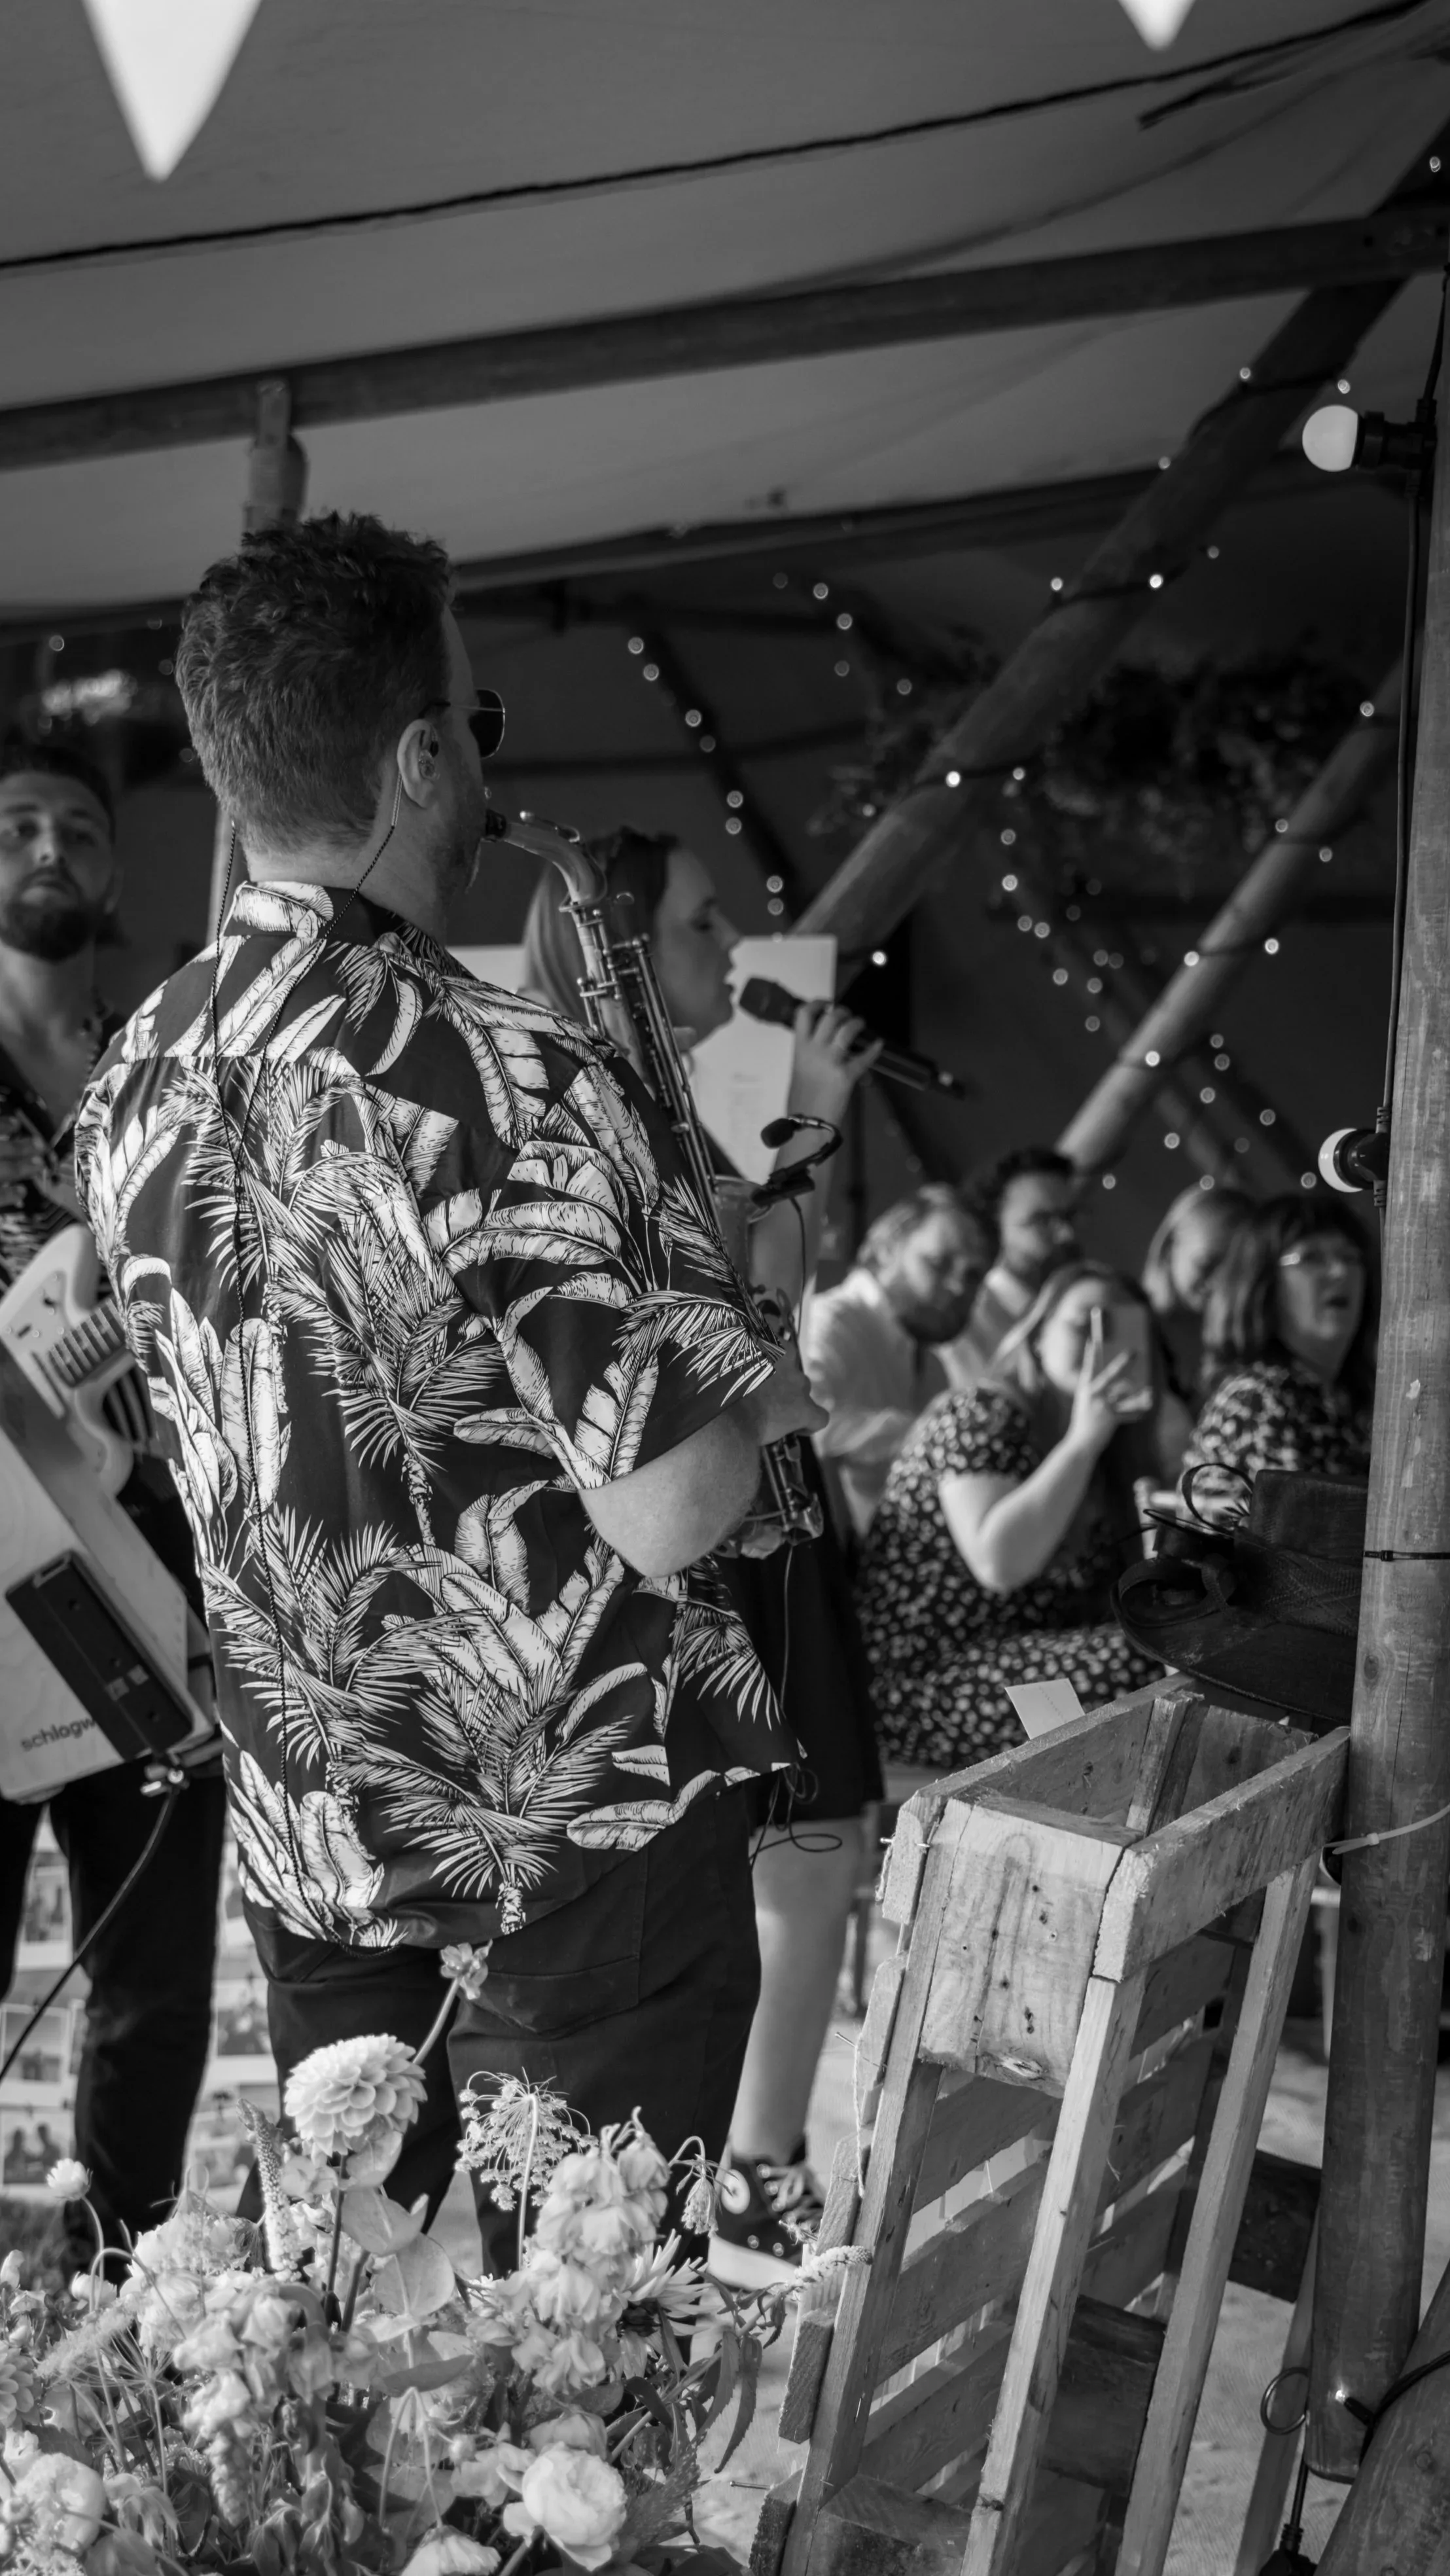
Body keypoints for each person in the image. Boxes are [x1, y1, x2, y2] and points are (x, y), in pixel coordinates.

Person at [77, 516, 824, 2270]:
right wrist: (740, 1326)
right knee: (571, 2378)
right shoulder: (502, 1070)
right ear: (416, 761)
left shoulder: (134, 1076)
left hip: (310, 1838)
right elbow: (673, 1508)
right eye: (475, 727)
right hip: (577, 1845)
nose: (490, 768)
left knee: (370, 2364)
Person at [523, 826, 883, 2284]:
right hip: (706, 1532)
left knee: (816, 1856)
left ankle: (755, 2162)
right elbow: (752, 1325)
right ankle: (737, 2172)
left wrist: (798, 1154)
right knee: (779, 1864)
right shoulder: (592, 1112)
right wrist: (810, 1132)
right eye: (698, 921)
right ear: (612, 941)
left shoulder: (656, 1107)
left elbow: (767, 1300)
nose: (731, 945)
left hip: (764, 1515)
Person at [0, 736, 227, 2273]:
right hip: (2, 1563)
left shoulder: (164, 1074)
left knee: (153, 1978)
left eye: (79, 828)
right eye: (17, 824)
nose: (50, 849)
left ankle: (115, 2299)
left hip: (155, 1564)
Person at [858, 1261, 1168, 1771]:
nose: (1102, 1348)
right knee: (1145, 1663)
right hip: (920, 1683)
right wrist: (1083, 1441)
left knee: (1183, 1647)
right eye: (1085, 1325)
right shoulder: (980, 1414)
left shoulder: (1110, 1453)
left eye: (1123, 1335)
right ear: (1038, 1336)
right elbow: (999, 1563)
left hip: (1022, 1668)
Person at [802, 1187, 993, 1542]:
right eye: (938, 1263)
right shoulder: (830, 1321)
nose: (957, 1287)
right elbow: (800, 1426)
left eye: (972, 1276)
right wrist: (929, 1435)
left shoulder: (928, 1360)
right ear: (888, 1248)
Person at [1183, 1194, 1374, 1489]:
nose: (1340, 1271)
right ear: (1263, 1281)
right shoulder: (1256, 1400)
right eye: (1311, 1258)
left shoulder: (1347, 1395)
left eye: (1350, 1257)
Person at [943, 1145, 1082, 1390]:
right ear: (994, 1227)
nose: (1067, 1235)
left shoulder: (1090, 1305)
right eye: (1041, 1221)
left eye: (1070, 1217)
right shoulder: (967, 1329)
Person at [1141, 1180, 1254, 1401]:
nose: (1219, 1283)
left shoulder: (1243, 1349)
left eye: (1236, 1271)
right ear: (1169, 1248)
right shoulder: (1131, 1327)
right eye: (1206, 1264)